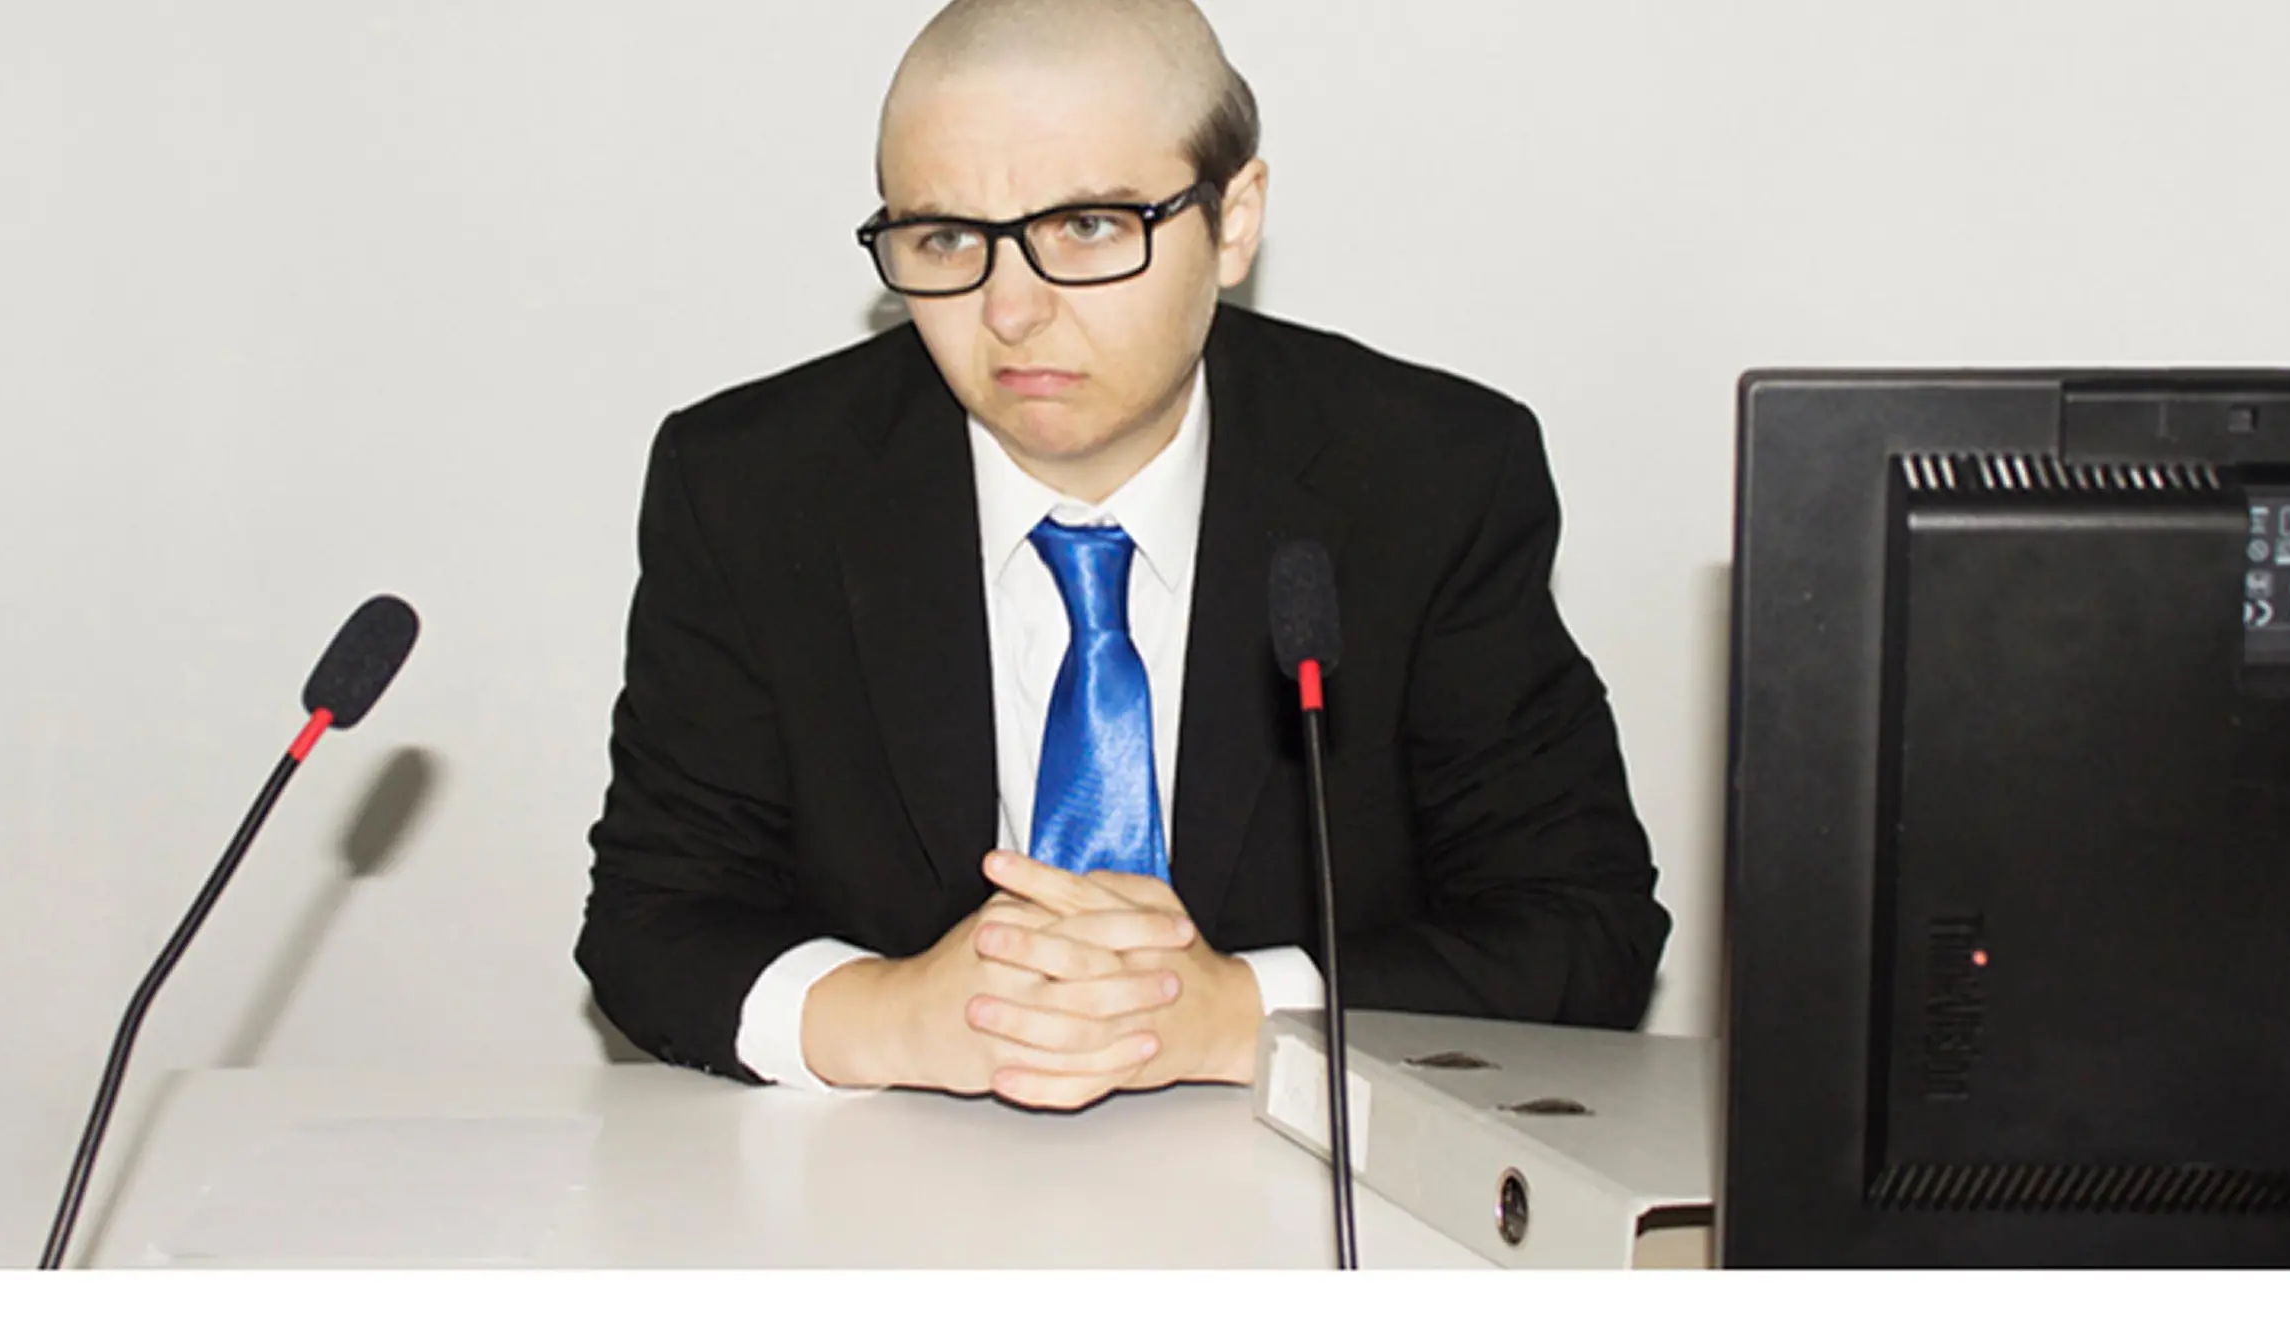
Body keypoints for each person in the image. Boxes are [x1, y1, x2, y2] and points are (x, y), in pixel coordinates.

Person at [578, 0, 1668, 1111]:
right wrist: (896, 1013)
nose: (1011, 310)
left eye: (1089, 225)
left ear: (1233, 220)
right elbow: (650, 921)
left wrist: (1228, 1012)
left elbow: (1580, 924)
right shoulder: (752, 486)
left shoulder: (1429, 478)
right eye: (947, 238)